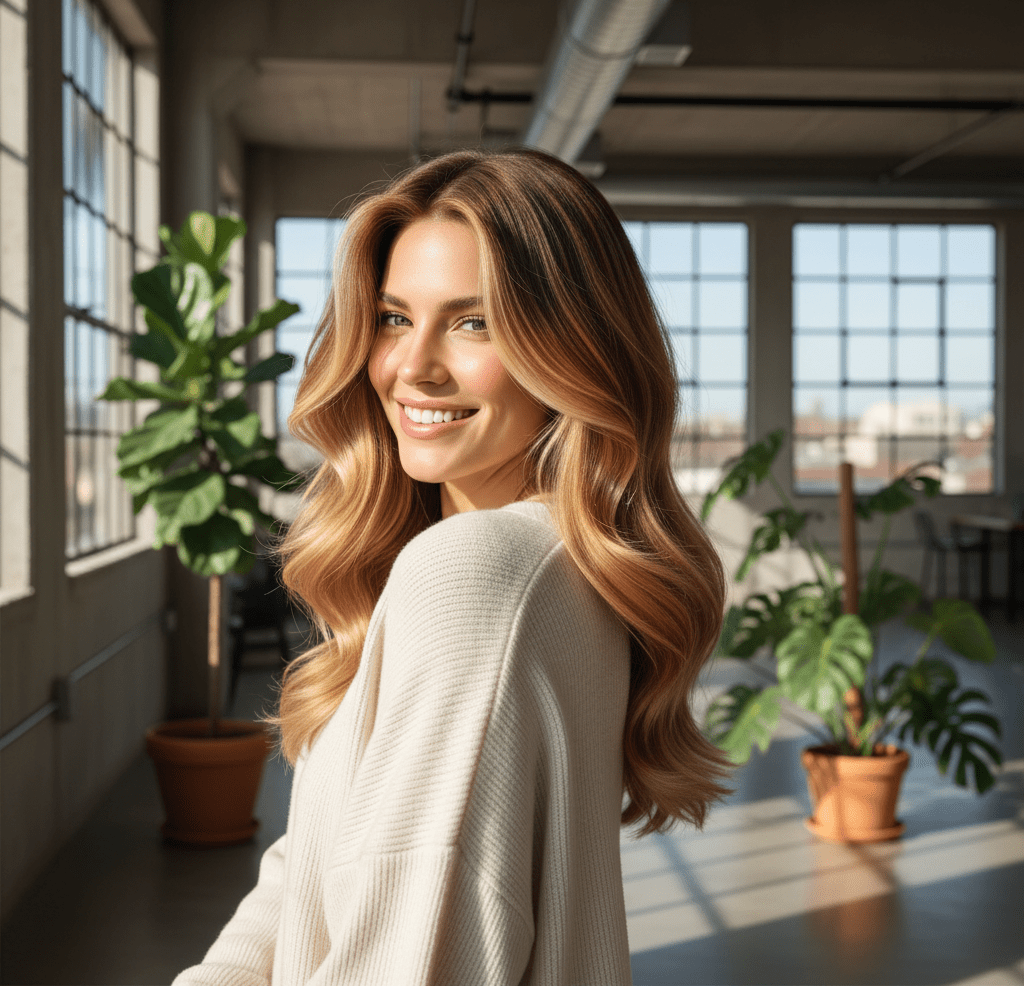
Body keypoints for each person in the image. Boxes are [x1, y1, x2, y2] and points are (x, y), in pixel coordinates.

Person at [171, 147, 731, 986]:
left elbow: (408, 950)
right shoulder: (549, 565)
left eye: (475, 324)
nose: (412, 367)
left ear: (574, 349)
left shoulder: (478, 574)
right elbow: (318, 862)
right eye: (395, 317)